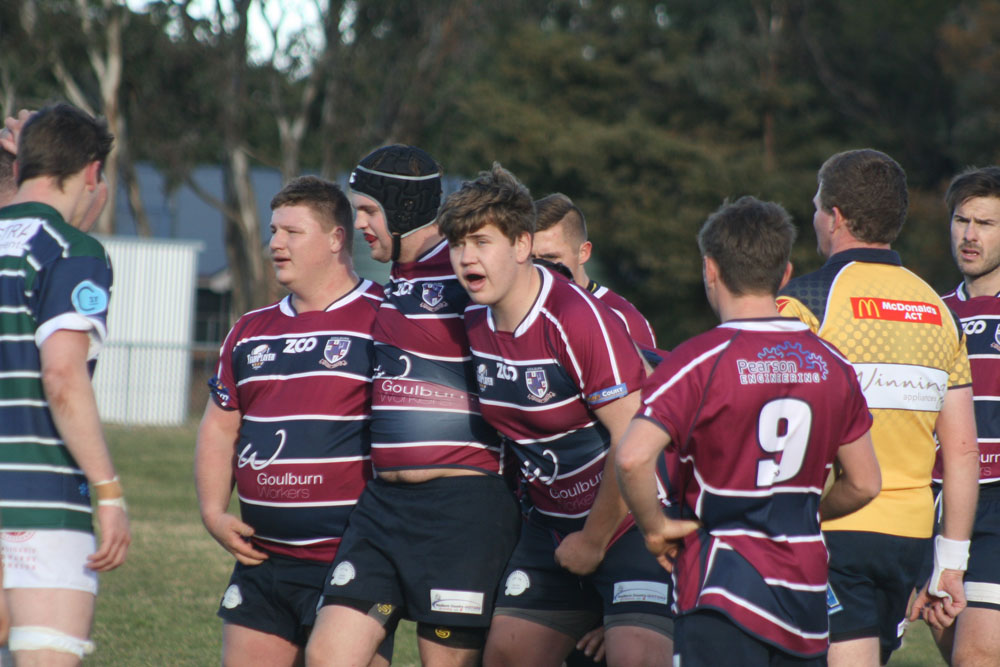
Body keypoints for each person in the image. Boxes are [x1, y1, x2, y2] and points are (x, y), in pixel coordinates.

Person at [615, 196, 881, 666]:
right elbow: (865, 483)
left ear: (710, 269)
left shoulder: (698, 360)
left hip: (722, 584)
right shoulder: (833, 364)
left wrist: (655, 529)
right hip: (805, 594)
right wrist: (801, 514)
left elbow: (632, 457)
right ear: (785, 273)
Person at [439, 163, 673, 667]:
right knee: (505, 655)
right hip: (549, 528)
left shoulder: (575, 319)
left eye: (481, 242)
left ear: (522, 245)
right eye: (457, 244)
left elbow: (634, 441)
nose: (466, 257)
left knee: (637, 657)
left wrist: (594, 540)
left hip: (630, 523)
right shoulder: (473, 317)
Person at [306, 146, 520, 667]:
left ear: (402, 209)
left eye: (368, 210)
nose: (359, 224)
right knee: (328, 655)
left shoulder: (463, 270)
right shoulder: (397, 280)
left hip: (461, 507)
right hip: (383, 507)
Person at [777, 149, 980, 666]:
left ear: (836, 217)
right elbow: (962, 451)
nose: (815, 218)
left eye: (817, 207)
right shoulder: (939, 311)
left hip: (831, 526)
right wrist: (950, 563)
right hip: (909, 540)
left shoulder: (805, 302)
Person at [194, 176, 387, 666]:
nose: (275, 244)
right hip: (264, 558)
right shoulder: (250, 330)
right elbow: (219, 427)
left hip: (354, 557)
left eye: (292, 232)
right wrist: (214, 512)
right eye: (273, 231)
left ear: (336, 238)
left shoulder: (385, 319)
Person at [0, 103, 129, 665]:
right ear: (92, 171)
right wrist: (109, 491)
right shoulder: (72, 251)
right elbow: (62, 377)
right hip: (39, 499)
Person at [923, 166, 1000, 665]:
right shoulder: (931, 314)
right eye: (961, 220)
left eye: (985, 224)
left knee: (975, 655)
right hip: (938, 501)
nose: (969, 235)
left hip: (997, 498)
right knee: (958, 652)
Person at [532, 193, 658, 351]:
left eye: (550, 257)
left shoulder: (623, 321)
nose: (539, 267)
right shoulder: (511, 316)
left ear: (583, 253)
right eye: (530, 258)